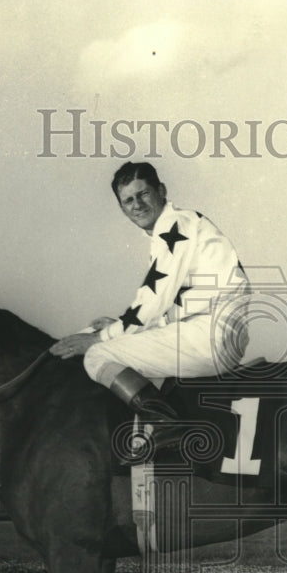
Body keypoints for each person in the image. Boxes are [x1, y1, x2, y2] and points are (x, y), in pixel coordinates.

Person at [50, 162, 250, 456]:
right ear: (122, 208)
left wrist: (102, 338)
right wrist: (114, 327)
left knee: (97, 354)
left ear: (161, 191)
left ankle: (166, 425)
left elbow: (153, 301)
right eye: (128, 200)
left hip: (210, 334)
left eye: (143, 194)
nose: (137, 205)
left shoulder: (175, 226)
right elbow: (165, 306)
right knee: (108, 339)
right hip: (209, 329)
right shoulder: (174, 227)